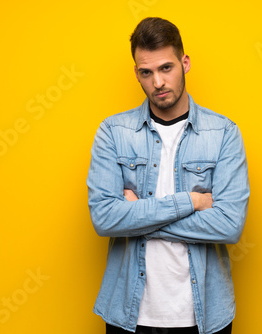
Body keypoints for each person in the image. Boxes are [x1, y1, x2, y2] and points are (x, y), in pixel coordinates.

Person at [87, 17, 250, 334]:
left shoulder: (223, 134)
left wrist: (136, 215)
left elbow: (230, 226)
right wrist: (192, 201)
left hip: (203, 316)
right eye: (146, 72)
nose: (157, 82)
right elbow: (104, 219)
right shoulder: (113, 132)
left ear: (184, 63)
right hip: (128, 315)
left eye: (166, 68)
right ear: (137, 73)